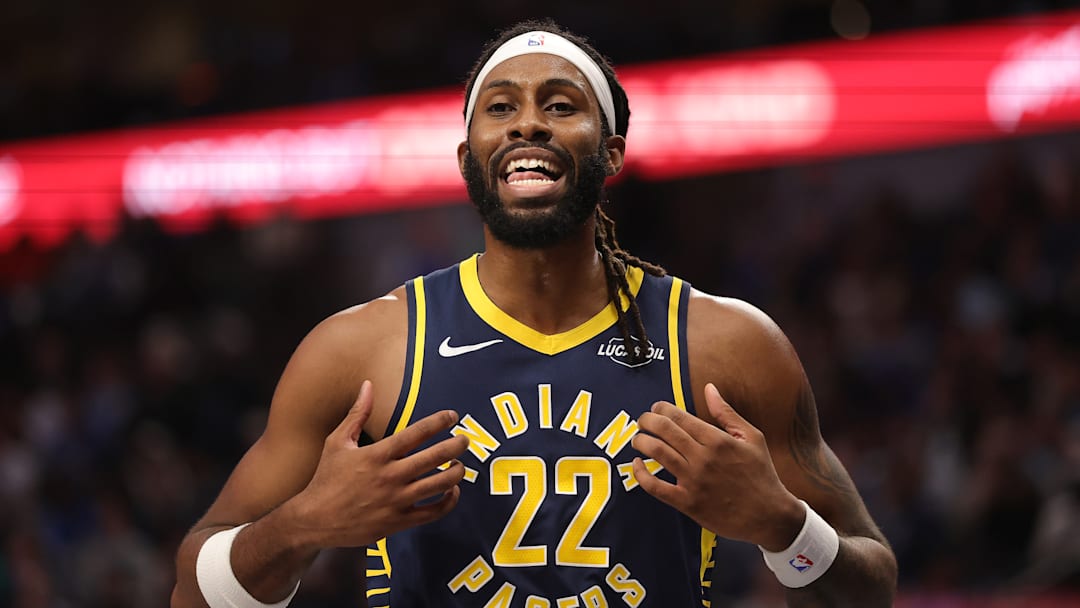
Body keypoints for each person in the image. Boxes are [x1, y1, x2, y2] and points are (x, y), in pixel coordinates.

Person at [171, 20, 898, 608]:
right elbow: (191, 592)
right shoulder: (364, 348)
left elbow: (872, 585)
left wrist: (781, 525)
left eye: (559, 104)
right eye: (501, 108)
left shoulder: (725, 342)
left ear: (610, 152)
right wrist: (303, 526)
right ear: (467, 156)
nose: (529, 125)